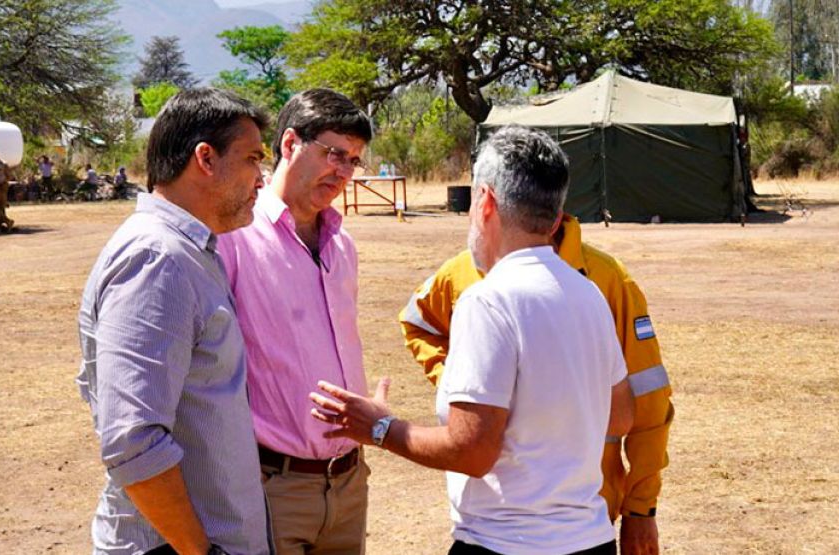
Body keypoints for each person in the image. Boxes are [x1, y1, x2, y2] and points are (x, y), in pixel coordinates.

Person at [309, 125, 635, 555]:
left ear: (484, 202)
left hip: (505, 543)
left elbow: (472, 452)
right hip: (589, 539)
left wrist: (380, 427)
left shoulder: (488, 300)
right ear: (556, 217)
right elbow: (621, 416)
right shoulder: (586, 291)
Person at [76, 87, 273, 555]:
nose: (261, 179)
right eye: (252, 159)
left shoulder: (189, 250)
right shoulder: (157, 258)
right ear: (205, 158)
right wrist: (198, 551)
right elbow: (134, 441)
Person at [399, 236, 673, 552]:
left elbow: (647, 399)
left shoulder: (605, 278)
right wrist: (457, 382)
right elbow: (418, 321)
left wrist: (641, 507)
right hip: (495, 529)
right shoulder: (464, 271)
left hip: (583, 521)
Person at [216, 88, 373, 555]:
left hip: (348, 481)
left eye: (353, 161)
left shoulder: (342, 245)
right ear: (289, 145)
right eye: (333, 154)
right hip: (273, 487)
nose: (343, 171)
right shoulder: (235, 238)